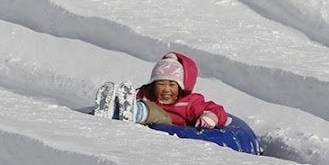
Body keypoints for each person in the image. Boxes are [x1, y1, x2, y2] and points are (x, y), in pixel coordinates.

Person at [94, 51, 230, 129]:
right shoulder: (146, 94)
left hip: (168, 127)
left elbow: (217, 110)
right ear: (153, 84)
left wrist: (210, 117)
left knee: (157, 113)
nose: (166, 89)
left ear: (181, 87)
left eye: (172, 85)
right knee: (140, 101)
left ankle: (136, 112)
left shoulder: (189, 103)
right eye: (161, 84)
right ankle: (112, 110)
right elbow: (132, 98)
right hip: (143, 125)